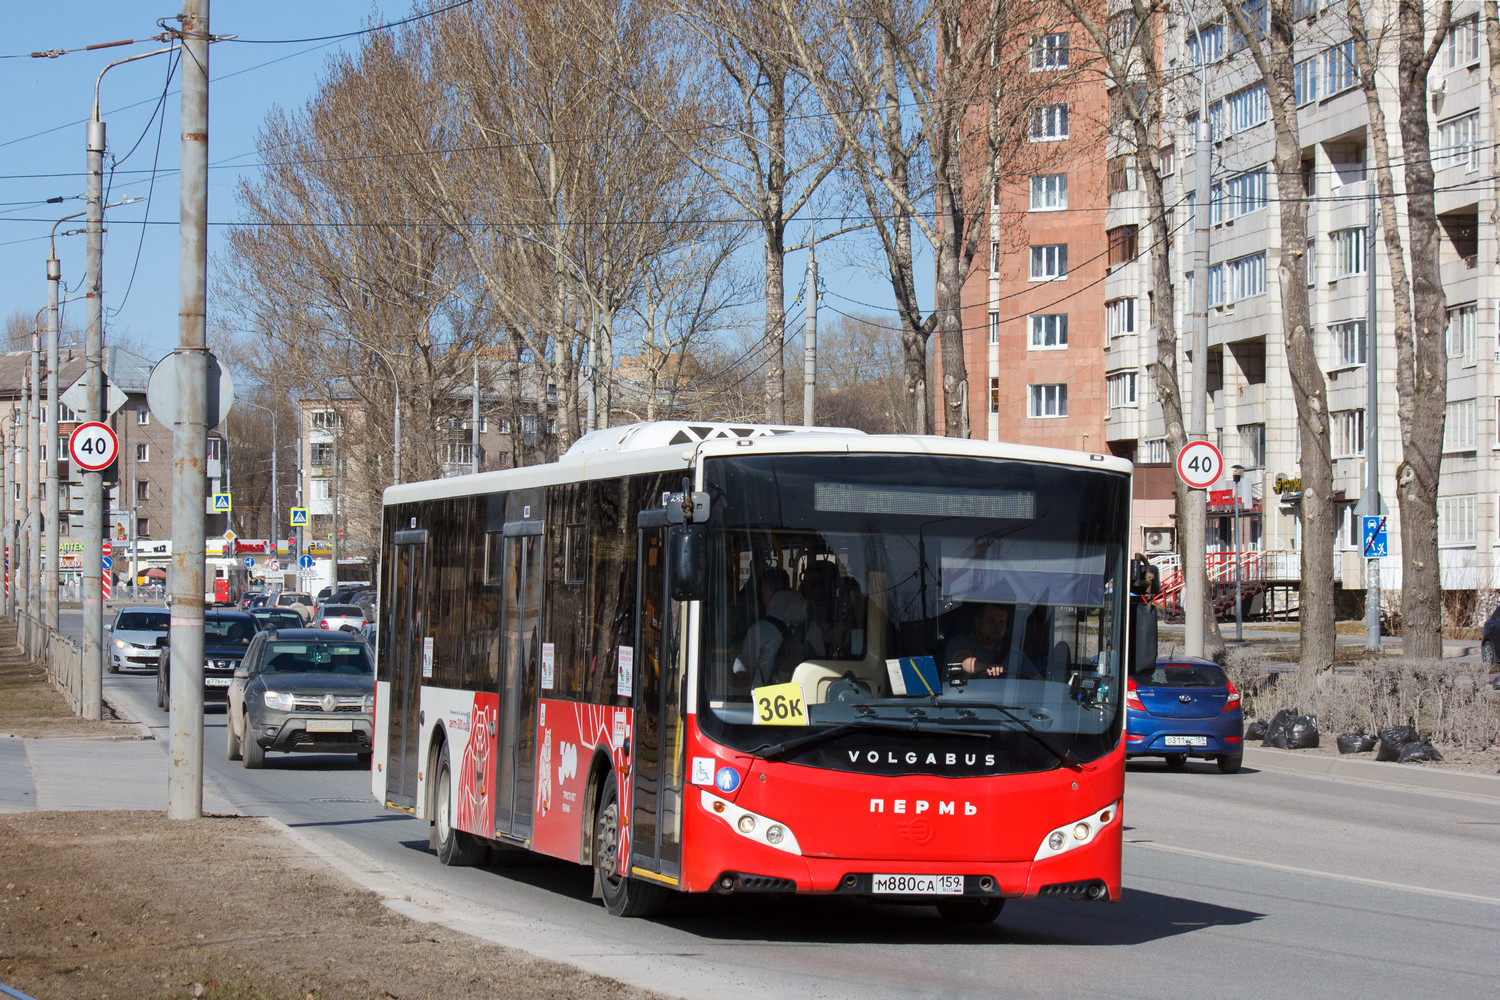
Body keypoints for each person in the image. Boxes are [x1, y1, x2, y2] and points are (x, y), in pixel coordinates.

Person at [732, 588, 823, 687]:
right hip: (800, 693)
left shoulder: (760, 629)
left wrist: (735, 653)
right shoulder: (813, 629)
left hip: (764, 695)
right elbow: (821, 660)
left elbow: (741, 669)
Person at [944, 602, 1036, 679]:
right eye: (991, 621)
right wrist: (986, 668)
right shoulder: (959, 642)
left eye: (1002, 622)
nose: (997, 627)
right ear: (977, 622)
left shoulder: (1014, 654)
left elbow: (1039, 682)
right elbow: (964, 661)